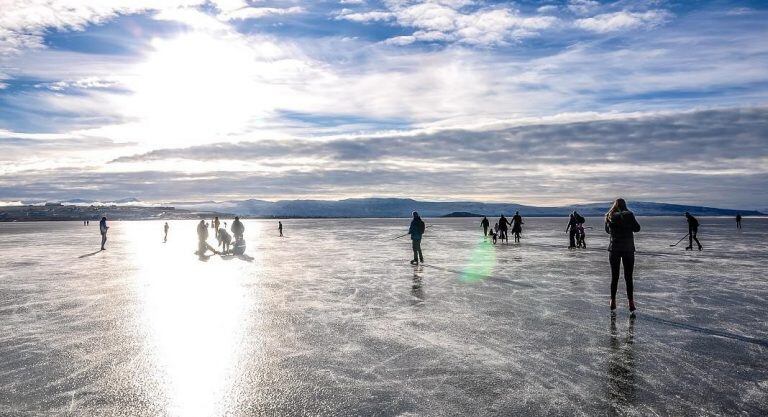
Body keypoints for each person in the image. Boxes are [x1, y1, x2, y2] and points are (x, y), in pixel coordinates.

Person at [605, 198, 641, 314]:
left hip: (614, 248)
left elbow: (607, 230)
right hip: (628, 248)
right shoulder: (630, 215)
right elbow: (637, 228)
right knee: (628, 277)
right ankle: (631, 303)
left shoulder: (609, 216)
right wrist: (627, 225)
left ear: (615, 205)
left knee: (614, 277)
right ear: (625, 205)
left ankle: (613, 301)